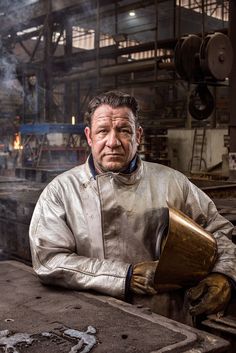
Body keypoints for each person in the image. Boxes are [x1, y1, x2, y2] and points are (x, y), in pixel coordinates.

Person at [29, 90, 236, 324]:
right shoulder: (61, 192)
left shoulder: (172, 183)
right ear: (89, 136)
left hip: (170, 321)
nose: (113, 142)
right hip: (89, 323)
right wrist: (123, 277)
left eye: (124, 131)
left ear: (138, 135)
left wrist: (225, 275)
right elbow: (49, 260)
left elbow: (219, 230)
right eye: (103, 131)